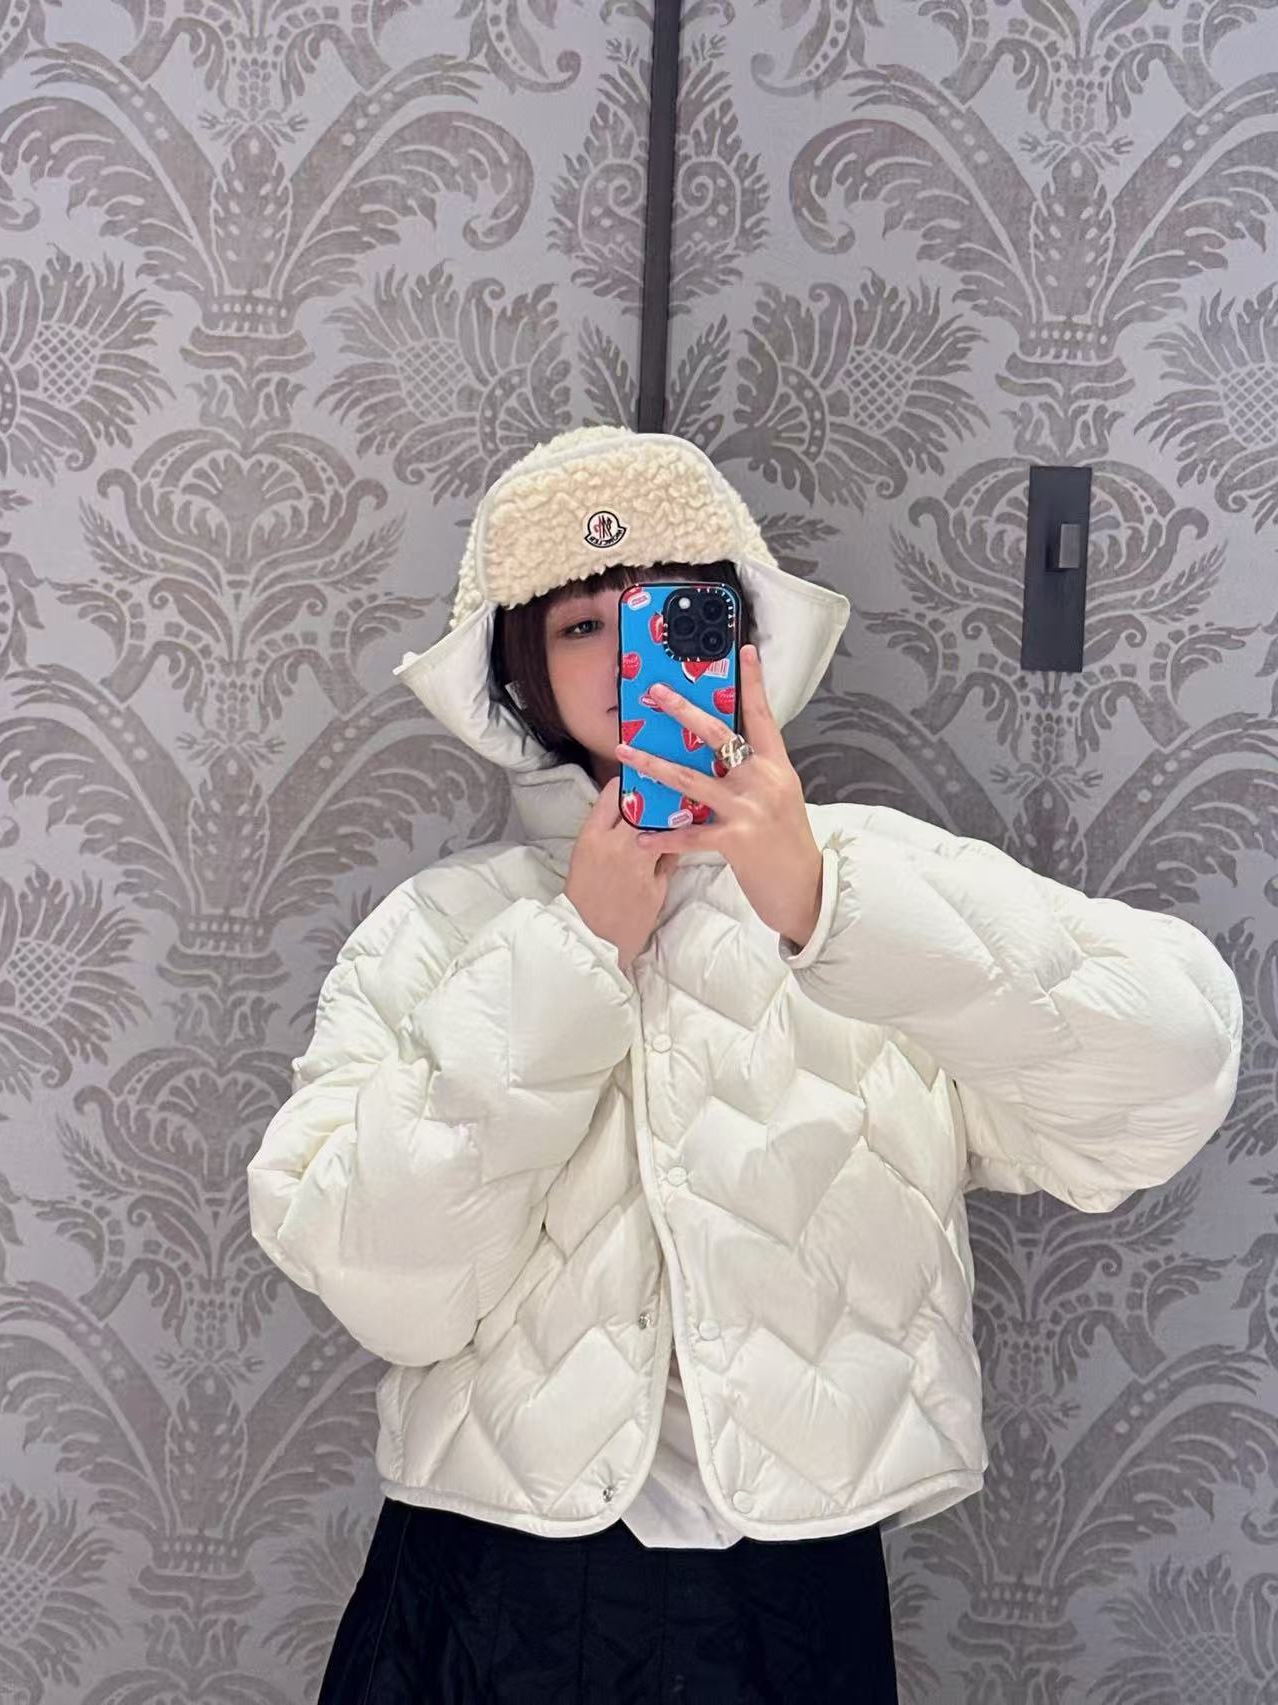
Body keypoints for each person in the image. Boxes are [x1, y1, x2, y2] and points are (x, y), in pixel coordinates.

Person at [246, 425, 1244, 1702]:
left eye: (675, 612)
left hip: (787, 1603)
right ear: (518, 673)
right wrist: (570, 952)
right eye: (579, 625)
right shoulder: (435, 930)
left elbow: (1167, 1073)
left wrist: (825, 903)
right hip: (482, 1590)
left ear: (740, 636)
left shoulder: (876, 875)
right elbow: (387, 1289)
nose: (629, 658)